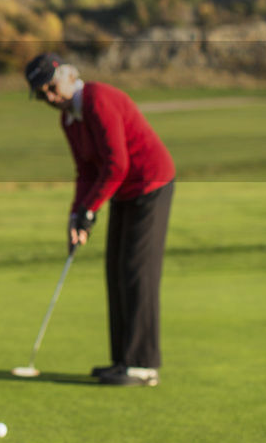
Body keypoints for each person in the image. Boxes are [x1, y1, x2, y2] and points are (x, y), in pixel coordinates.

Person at [24, 52, 175, 387]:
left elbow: (117, 165)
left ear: (67, 76)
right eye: (41, 94)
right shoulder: (69, 119)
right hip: (123, 191)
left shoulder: (98, 100)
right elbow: (86, 171)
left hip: (150, 184)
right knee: (116, 271)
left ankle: (142, 365)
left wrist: (90, 211)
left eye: (50, 88)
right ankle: (123, 360)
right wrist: (76, 215)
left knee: (137, 273)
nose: (49, 97)